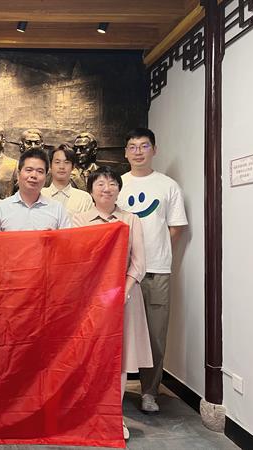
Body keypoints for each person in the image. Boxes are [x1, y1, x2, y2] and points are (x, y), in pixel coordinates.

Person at [72, 166, 153, 440]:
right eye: (100, 183)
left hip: (124, 300)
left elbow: (139, 263)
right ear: (91, 190)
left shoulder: (131, 220)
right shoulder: (78, 221)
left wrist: (122, 292)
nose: (106, 188)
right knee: (90, 358)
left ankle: (114, 417)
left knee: (119, 359)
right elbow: (76, 262)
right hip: (90, 301)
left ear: (119, 188)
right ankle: (88, 414)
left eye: (112, 184)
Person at [117, 127, 188, 414]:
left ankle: (149, 391)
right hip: (121, 273)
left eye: (144, 146)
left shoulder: (168, 186)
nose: (138, 152)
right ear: (125, 152)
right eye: (132, 146)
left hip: (157, 271)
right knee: (117, 333)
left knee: (156, 335)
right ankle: (115, 391)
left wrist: (154, 253)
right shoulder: (116, 184)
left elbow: (176, 228)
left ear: (154, 150)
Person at [0, 149, 71, 231]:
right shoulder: (1, 209)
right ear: (18, 174)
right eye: (29, 170)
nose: (34, 175)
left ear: (46, 177)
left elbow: (67, 239)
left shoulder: (57, 210)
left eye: (40, 171)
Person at [41, 144, 93, 220]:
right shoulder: (39, 195)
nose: (61, 167)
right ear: (50, 166)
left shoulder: (84, 198)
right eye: (57, 162)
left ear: (73, 167)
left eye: (66, 162)